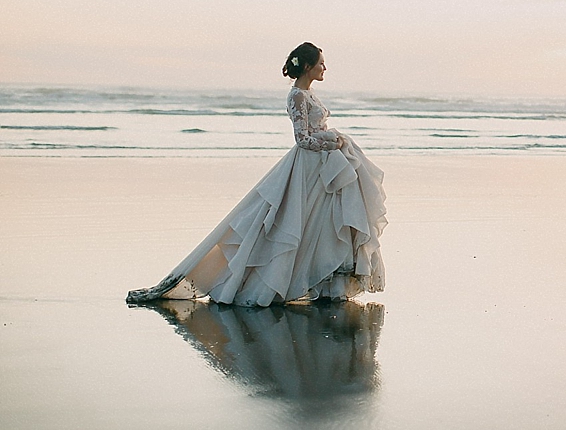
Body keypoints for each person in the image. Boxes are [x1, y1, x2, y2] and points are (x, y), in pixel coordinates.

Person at [127, 42, 387, 307]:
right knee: (291, 224)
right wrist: (333, 140)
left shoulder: (309, 94)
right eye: (321, 63)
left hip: (321, 168)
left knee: (321, 225)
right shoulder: (297, 95)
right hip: (307, 168)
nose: (325, 67)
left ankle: (325, 281)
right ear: (308, 66)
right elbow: (302, 139)